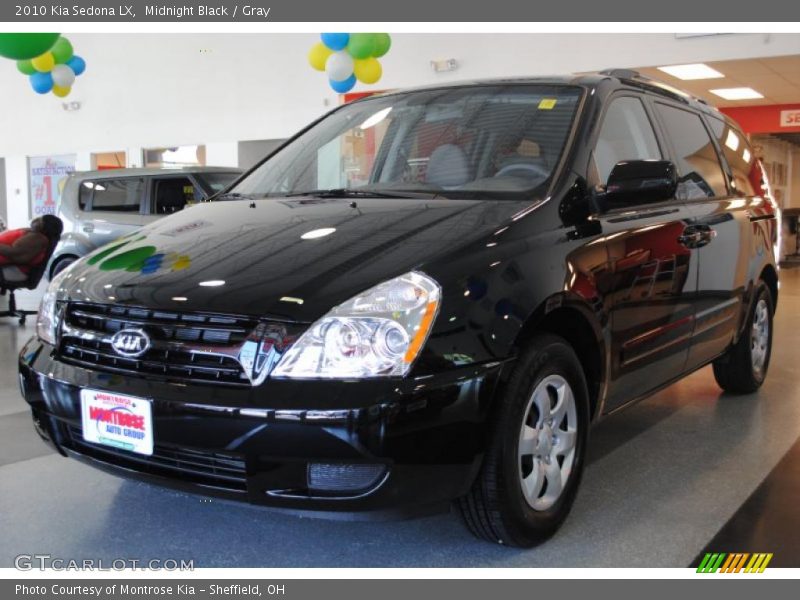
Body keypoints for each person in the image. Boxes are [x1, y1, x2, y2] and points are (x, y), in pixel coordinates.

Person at [0, 215, 63, 283]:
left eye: (40, 220)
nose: (36, 220)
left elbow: (15, 254)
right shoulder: (35, 234)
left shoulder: (38, 239)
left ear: (45, 226)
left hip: (14, 270)